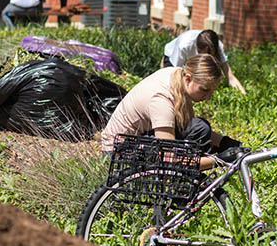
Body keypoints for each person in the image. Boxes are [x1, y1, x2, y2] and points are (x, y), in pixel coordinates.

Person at [101, 54, 241, 170]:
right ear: (188, 79)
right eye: (205, 89)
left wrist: (225, 142)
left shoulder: (176, 75)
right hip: (119, 153)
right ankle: (183, 180)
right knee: (199, 129)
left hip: (135, 141)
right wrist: (217, 160)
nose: (208, 96)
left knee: (199, 127)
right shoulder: (161, 101)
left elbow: (184, 124)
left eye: (212, 90)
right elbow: (170, 159)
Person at [163, 29, 247, 94]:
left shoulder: (218, 46)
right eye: (204, 54)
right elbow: (176, 74)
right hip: (171, 57)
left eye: (211, 55)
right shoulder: (184, 46)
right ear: (196, 47)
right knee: (174, 86)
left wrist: (244, 97)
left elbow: (230, 76)